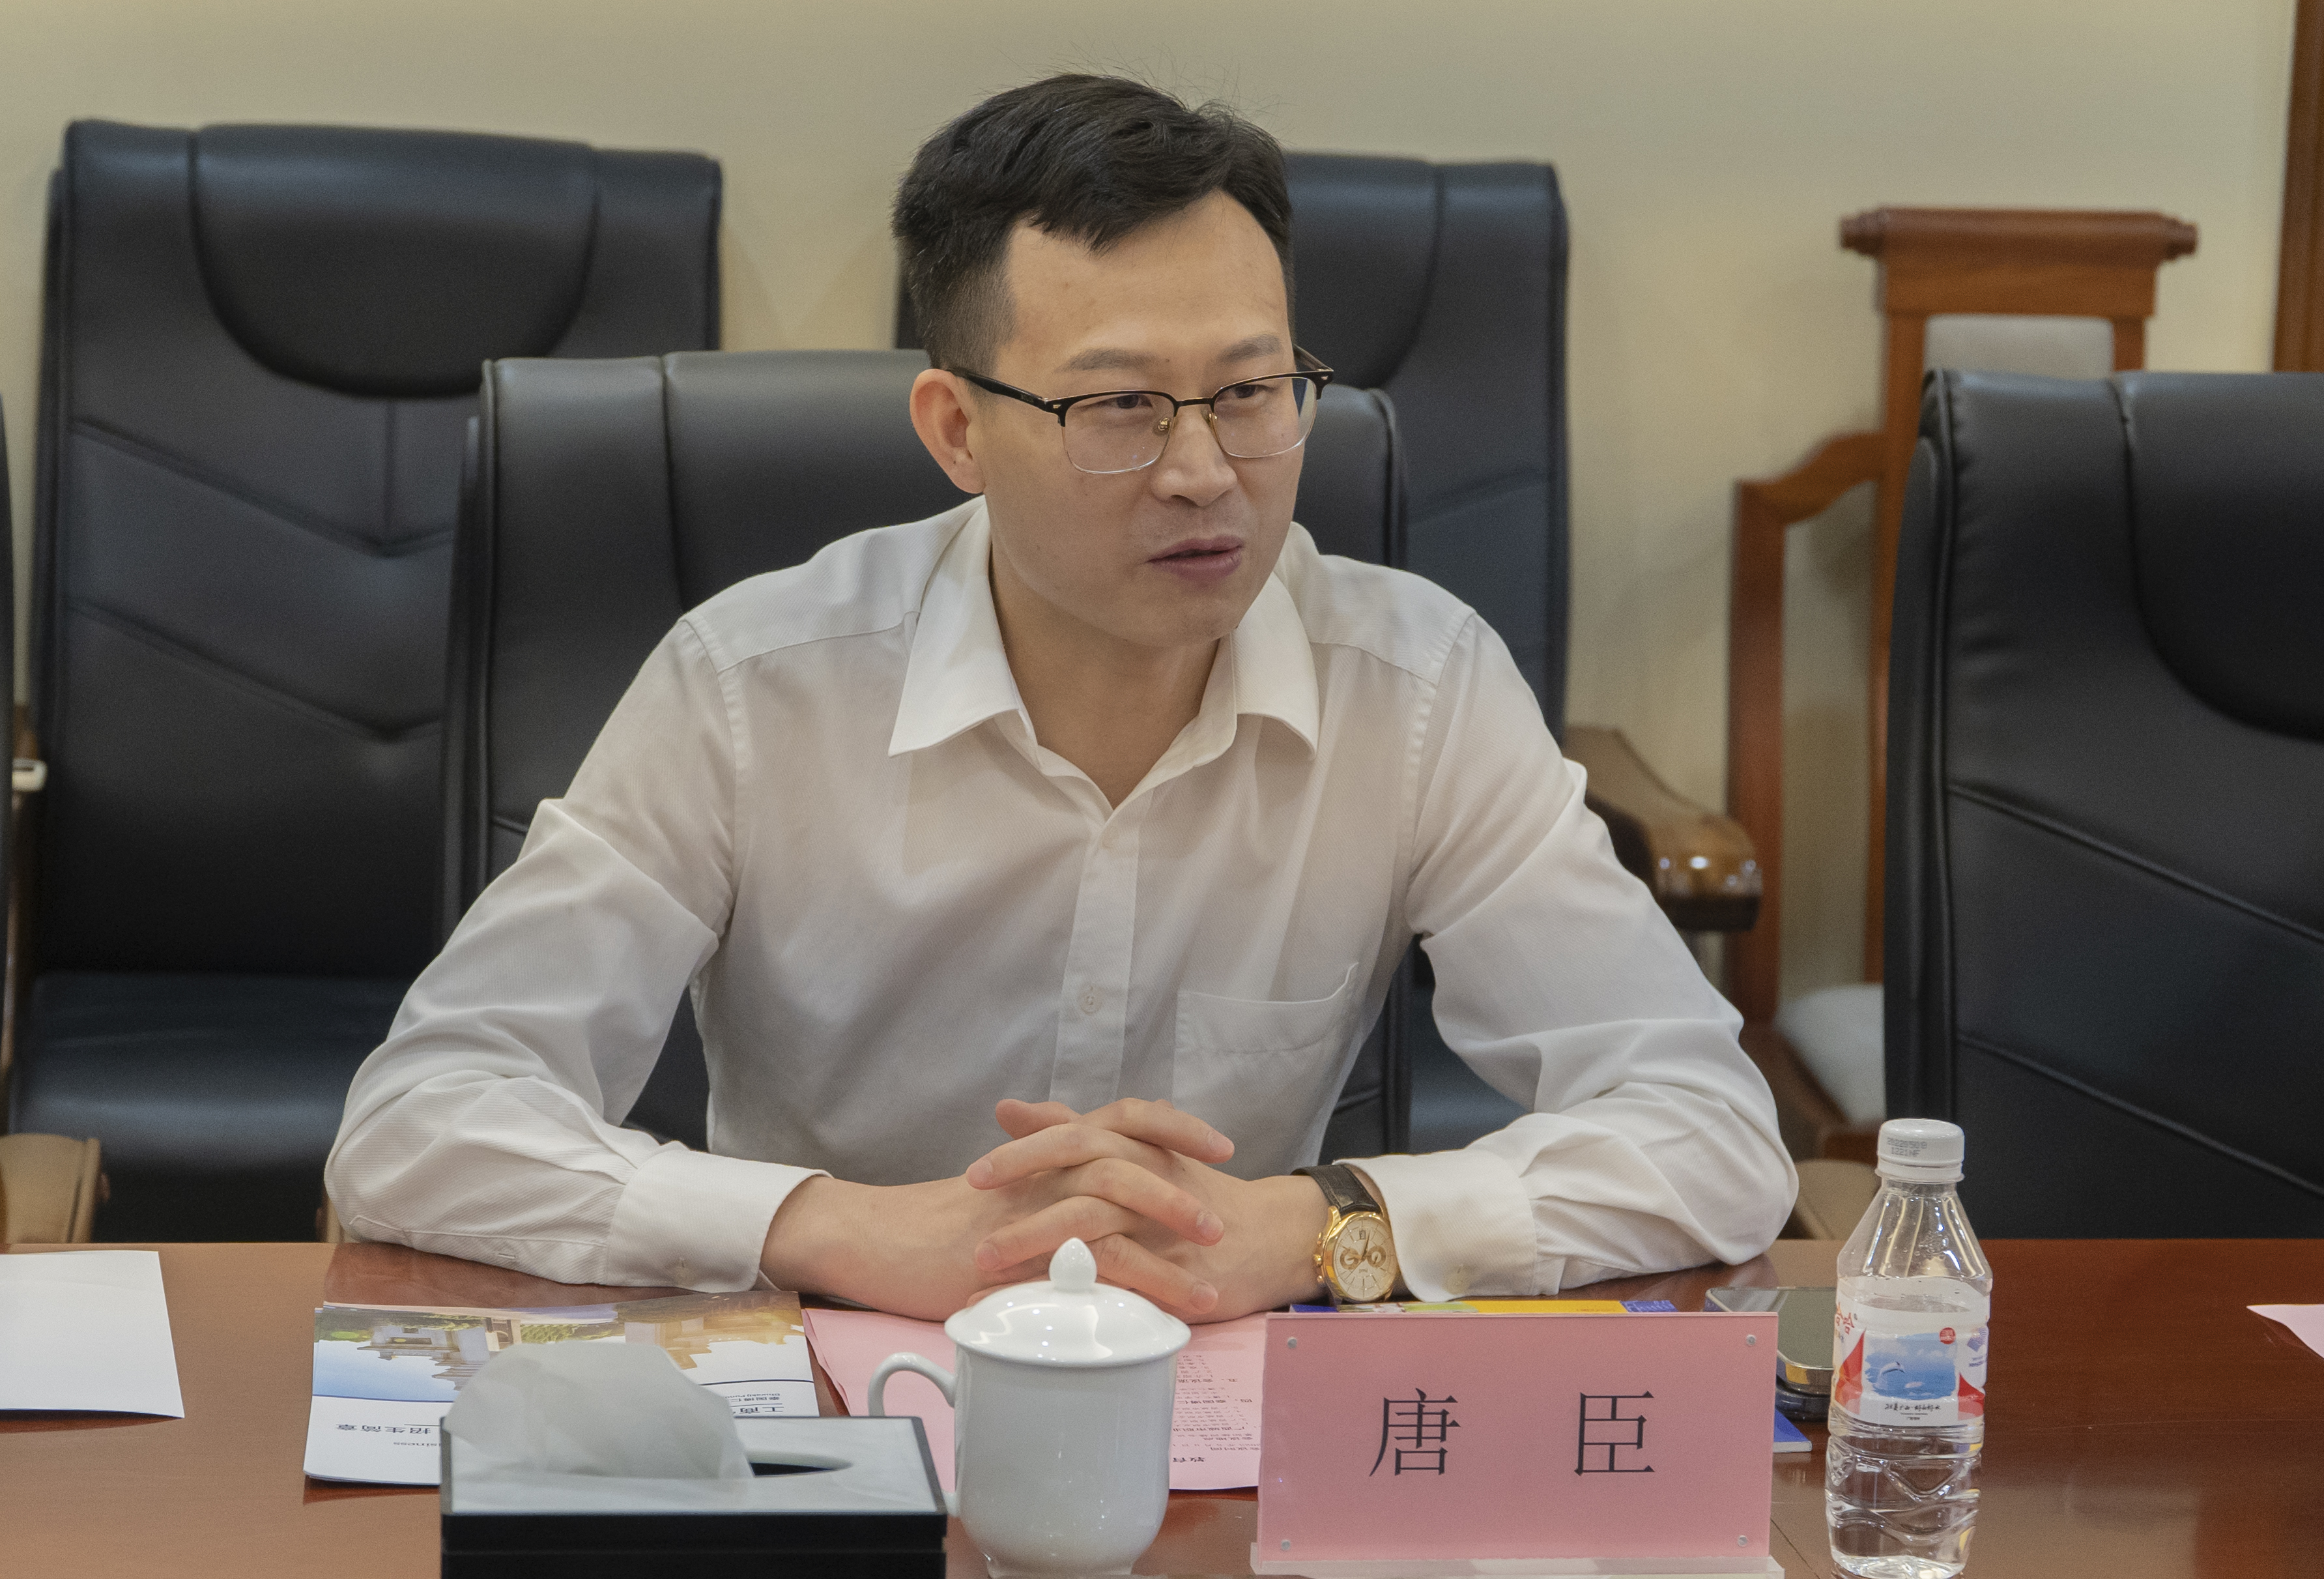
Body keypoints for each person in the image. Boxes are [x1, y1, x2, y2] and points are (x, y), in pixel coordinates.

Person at [326, 74, 1794, 1323]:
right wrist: (838, 1228)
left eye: (1250, 391)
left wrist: (1326, 1223)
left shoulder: (1415, 688)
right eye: (1118, 407)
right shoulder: (751, 687)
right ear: (957, 430)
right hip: (837, 1392)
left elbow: (1712, 1136)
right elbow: (420, 1125)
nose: (1204, 472)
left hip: (1219, 1405)